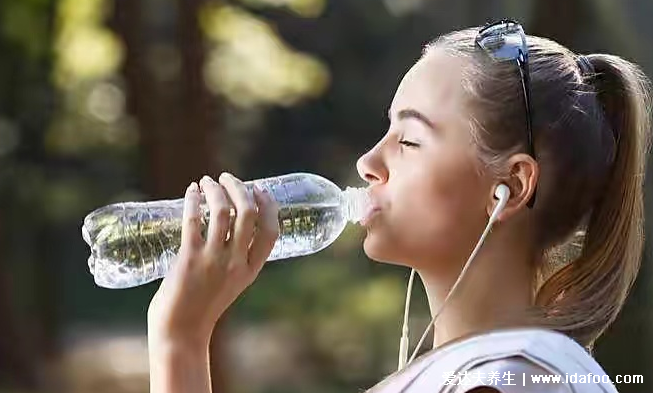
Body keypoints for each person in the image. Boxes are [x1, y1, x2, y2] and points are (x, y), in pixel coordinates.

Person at [146, 20, 651, 393]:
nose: (369, 163)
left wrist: (181, 341)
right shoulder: (482, 372)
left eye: (409, 140)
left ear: (512, 186)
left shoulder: (507, 382)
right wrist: (181, 335)